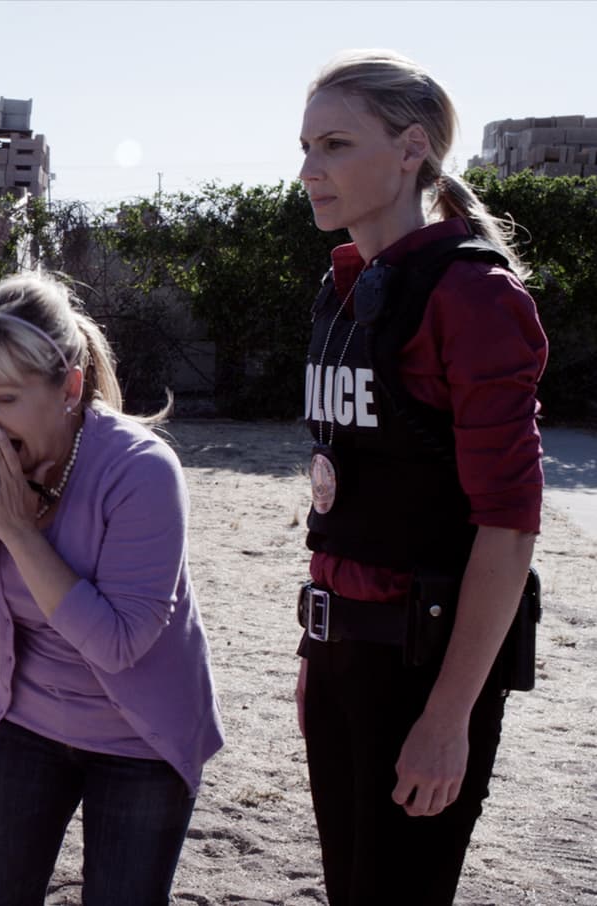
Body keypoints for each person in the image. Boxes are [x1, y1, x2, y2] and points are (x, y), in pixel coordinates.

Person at [294, 51, 546, 904]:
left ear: (410, 149)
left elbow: (509, 525)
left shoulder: (474, 296)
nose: (309, 170)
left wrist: (448, 716)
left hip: (424, 666)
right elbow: (348, 491)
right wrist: (319, 652)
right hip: (341, 655)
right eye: (305, 147)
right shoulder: (346, 288)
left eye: (335, 144)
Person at [0, 273, 223, 905]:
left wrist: (19, 532)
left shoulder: (141, 470)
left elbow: (117, 643)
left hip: (142, 737)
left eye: (5, 398)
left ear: (70, 389)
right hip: (27, 720)